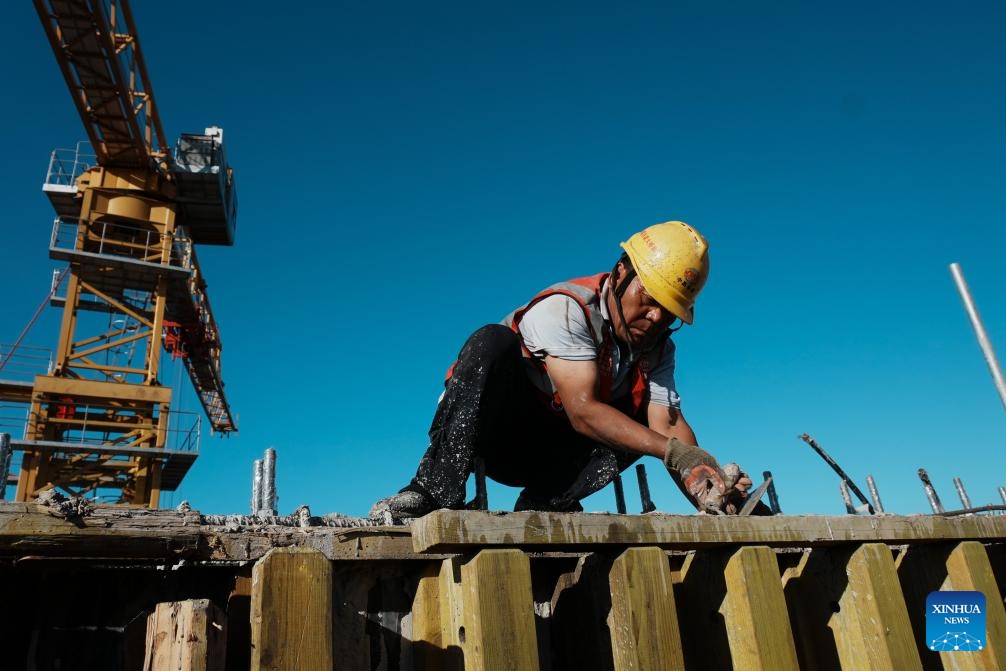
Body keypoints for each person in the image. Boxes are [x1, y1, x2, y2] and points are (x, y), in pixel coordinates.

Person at [370, 220, 763, 522]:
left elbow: (669, 426)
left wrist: (707, 478)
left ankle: (544, 505)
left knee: (638, 426)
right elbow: (583, 409)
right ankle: (434, 491)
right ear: (622, 272)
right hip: (492, 438)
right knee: (491, 341)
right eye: (649, 297)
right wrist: (675, 453)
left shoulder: (658, 349)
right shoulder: (568, 309)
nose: (656, 315)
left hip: (552, 450)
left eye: (670, 311)